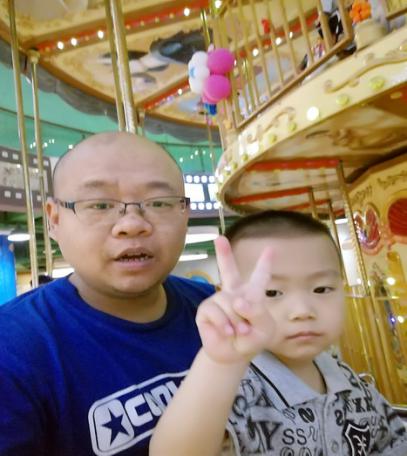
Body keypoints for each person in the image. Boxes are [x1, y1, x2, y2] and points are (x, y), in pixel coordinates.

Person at [0, 132, 215, 456]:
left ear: (185, 212)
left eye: (158, 203)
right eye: (100, 205)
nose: (132, 224)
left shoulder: (215, 308)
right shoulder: (12, 350)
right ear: (54, 220)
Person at [150, 210, 407, 456]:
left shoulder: (347, 377)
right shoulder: (232, 388)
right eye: (272, 292)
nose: (302, 311)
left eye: (321, 289)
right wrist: (219, 364)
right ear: (227, 297)